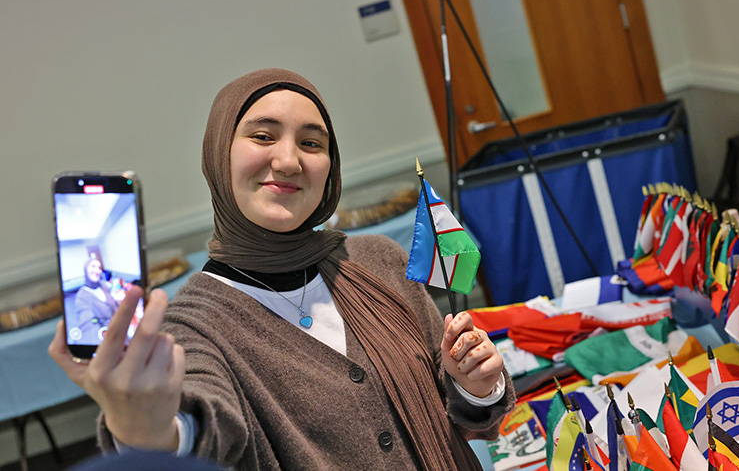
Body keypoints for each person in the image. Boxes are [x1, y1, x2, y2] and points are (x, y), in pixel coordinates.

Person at [49, 68, 515, 470]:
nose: (289, 161)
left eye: (311, 143)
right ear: (219, 155)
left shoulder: (377, 261)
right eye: (263, 136)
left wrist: (476, 386)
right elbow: (205, 429)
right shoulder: (194, 324)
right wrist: (149, 429)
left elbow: (469, 416)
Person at [72, 258, 119, 344]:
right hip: (109, 337)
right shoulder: (82, 297)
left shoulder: (103, 285)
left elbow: (113, 302)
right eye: (93, 266)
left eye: (99, 268)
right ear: (85, 270)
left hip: (119, 325)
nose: (97, 271)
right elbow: (87, 324)